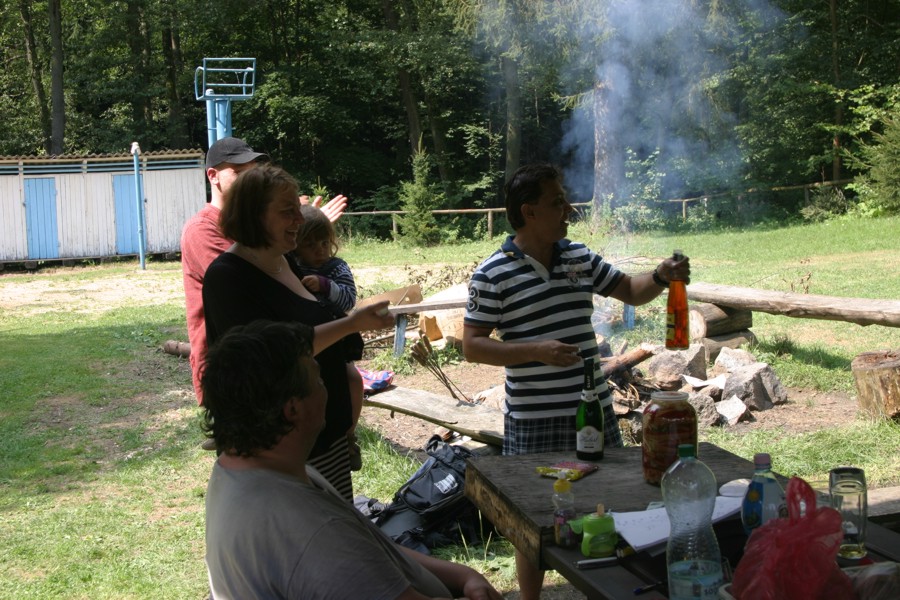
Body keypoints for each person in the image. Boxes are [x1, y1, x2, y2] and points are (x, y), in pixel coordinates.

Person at [462, 163, 690, 600]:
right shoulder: (493, 273)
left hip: (593, 409)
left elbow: (630, 290)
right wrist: (534, 350)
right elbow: (472, 345)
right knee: (533, 517)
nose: (568, 210)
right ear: (529, 212)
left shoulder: (578, 256)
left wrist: (661, 277)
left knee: (605, 500)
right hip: (534, 418)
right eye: (556, 202)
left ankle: (605, 587)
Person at [201, 319, 503, 600]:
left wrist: (462, 573)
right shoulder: (311, 529)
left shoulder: (240, 469)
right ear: (293, 409)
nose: (327, 390)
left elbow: (373, 548)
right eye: (319, 381)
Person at [202, 164, 392, 501]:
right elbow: (270, 356)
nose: (300, 221)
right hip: (282, 445)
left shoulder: (285, 260)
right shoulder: (227, 277)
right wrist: (352, 324)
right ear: (253, 216)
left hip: (324, 434)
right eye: (287, 212)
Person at [180, 136, 348, 405]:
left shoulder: (263, 237)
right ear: (213, 176)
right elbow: (254, 281)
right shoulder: (203, 230)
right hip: (232, 372)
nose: (249, 179)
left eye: (252, 171)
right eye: (238, 172)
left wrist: (299, 229)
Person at [293, 204, 365, 470]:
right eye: (310, 244)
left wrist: (325, 286)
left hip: (337, 342)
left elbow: (348, 298)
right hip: (308, 345)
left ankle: (348, 434)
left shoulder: (336, 268)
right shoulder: (291, 267)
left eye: (324, 242)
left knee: (353, 380)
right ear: (295, 245)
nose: (320, 250)